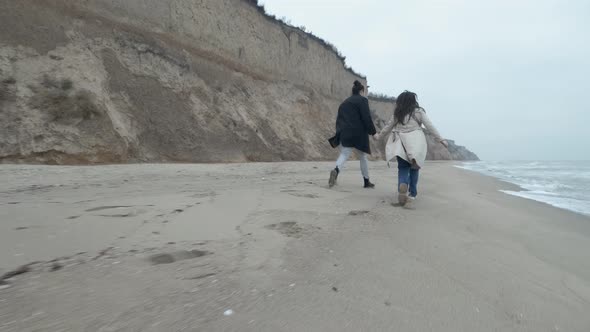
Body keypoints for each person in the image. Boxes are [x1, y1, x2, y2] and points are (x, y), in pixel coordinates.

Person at [374, 91, 448, 206]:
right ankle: (412, 194)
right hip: (415, 144)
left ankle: (402, 185)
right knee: (414, 168)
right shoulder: (419, 112)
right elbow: (430, 126)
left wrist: (379, 136)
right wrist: (441, 139)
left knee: (403, 168)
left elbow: (388, 127)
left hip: (401, 144)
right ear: (414, 101)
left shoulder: (398, 114)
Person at [328, 80, 377, 188]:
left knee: (344, 154)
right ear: (361, 91)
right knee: (362, 157)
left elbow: (339, 120)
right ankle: (366, 181)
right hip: (359, 134)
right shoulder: (363, 100)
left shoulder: (344, 103)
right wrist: (373, 132)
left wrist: (339, 133)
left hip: (346, 132)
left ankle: (336, 170)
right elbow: (366, 117)